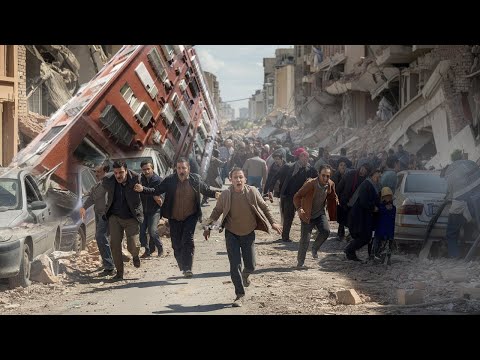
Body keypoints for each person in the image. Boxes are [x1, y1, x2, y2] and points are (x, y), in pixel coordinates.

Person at [203, 167, 282, 307]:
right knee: (235, 265)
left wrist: (273, 222)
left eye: (241, 177)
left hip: (248, 233)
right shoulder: (226, 194)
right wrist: (208, 227)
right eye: (235, 177)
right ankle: (239, 294)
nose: (238, 180)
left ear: (245, 179)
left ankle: (245, 275)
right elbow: (216, 211)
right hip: (231, 233)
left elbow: (264, 207)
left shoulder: (252, 191)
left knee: (251, 265)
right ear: (231, 180)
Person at [134, 157, 217, 278]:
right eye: (179, 168)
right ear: (176, 169)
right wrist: (143, 189)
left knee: (188, 240)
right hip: (174, 217)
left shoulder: (195, 179)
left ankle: (187, 268)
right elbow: (156, 190)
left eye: (183, 168)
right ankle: (183, 265)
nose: (181, 170)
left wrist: (216, 194)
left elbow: (206, 190)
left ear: (188, 169)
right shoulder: (170, 180)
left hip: (190, 216)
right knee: (176, 244)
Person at [103, 160, 144, 280]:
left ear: (126, 170)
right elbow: (100, 190)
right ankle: (119, 273)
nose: (118, 176)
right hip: (114, 217)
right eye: (115, 173)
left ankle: (135, 255)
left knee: (133, 245)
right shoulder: (109, 180)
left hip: (131, 216)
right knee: (114, 245)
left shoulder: (136, 178)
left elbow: (146, 190)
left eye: (121, 172)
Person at [267, 150, 317, 243]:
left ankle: (305, 238)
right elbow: (276, 176)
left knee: (306, 217)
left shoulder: (311, 170)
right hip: (289, 196)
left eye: (307, 156)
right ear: (299, 157)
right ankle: (285, 237)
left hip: (303, 198)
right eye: (303, 156)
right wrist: (270, 190)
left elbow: (318, 180)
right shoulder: (288, 167)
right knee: (288, 217)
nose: (305, 158)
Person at [293, 164, 338, 269]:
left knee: (326, 231)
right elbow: (297, 196)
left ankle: (315, 248)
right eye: (323, 175)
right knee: (305, 239)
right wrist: (299, 209)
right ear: (318, 174)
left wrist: (335, 203)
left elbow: (332, 196)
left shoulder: (330, 184)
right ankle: (300, 263)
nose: (326, 178)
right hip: (307, 214)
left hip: (319, 213)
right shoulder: (310, 184)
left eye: (328, 176)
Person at [80, 163, 115, 275]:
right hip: (100, 213)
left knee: (101, 236)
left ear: (105, 171)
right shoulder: (101, 182)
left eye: (98, 172)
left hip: (105, 214)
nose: (96, 174)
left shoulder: (106, 181)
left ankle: (109, 265)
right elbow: (92, 195)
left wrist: (85, 204)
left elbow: (94, 195)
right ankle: (108, 263)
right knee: (104, 238)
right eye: (95, 171)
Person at [344, 168, 382, 261]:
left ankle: (351, 252)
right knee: (364, 237)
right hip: (360, 215)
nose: (378, 177)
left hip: (365, 215)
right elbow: (363, 201)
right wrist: (373, 207)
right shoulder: (367, 184)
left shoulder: (374, 185)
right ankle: (349, 250)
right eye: (377, 175)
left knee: (365, 236)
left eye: (380, 176)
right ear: (372, 175)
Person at [138, 160, 164, 258]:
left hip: (155, 210)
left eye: (148, 169)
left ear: (152, 168)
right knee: (142, 232)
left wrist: (158, 198)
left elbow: (161, 195)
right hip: (143, 211)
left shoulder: (158, 180)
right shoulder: (141, 180)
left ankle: (160, 248)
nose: (146, 171)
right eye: (144, 170)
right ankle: (148, 250)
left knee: (152, 231)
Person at [372, 187, 396, 265]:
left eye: (389, 197)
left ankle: (387, 259)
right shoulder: (380, 207)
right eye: (386, 197)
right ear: (383, 198)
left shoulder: (393, 208)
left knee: (388, 245)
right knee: (378, 244)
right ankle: (376, 257)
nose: (388, 198)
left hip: (388, 231)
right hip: (380, 230)